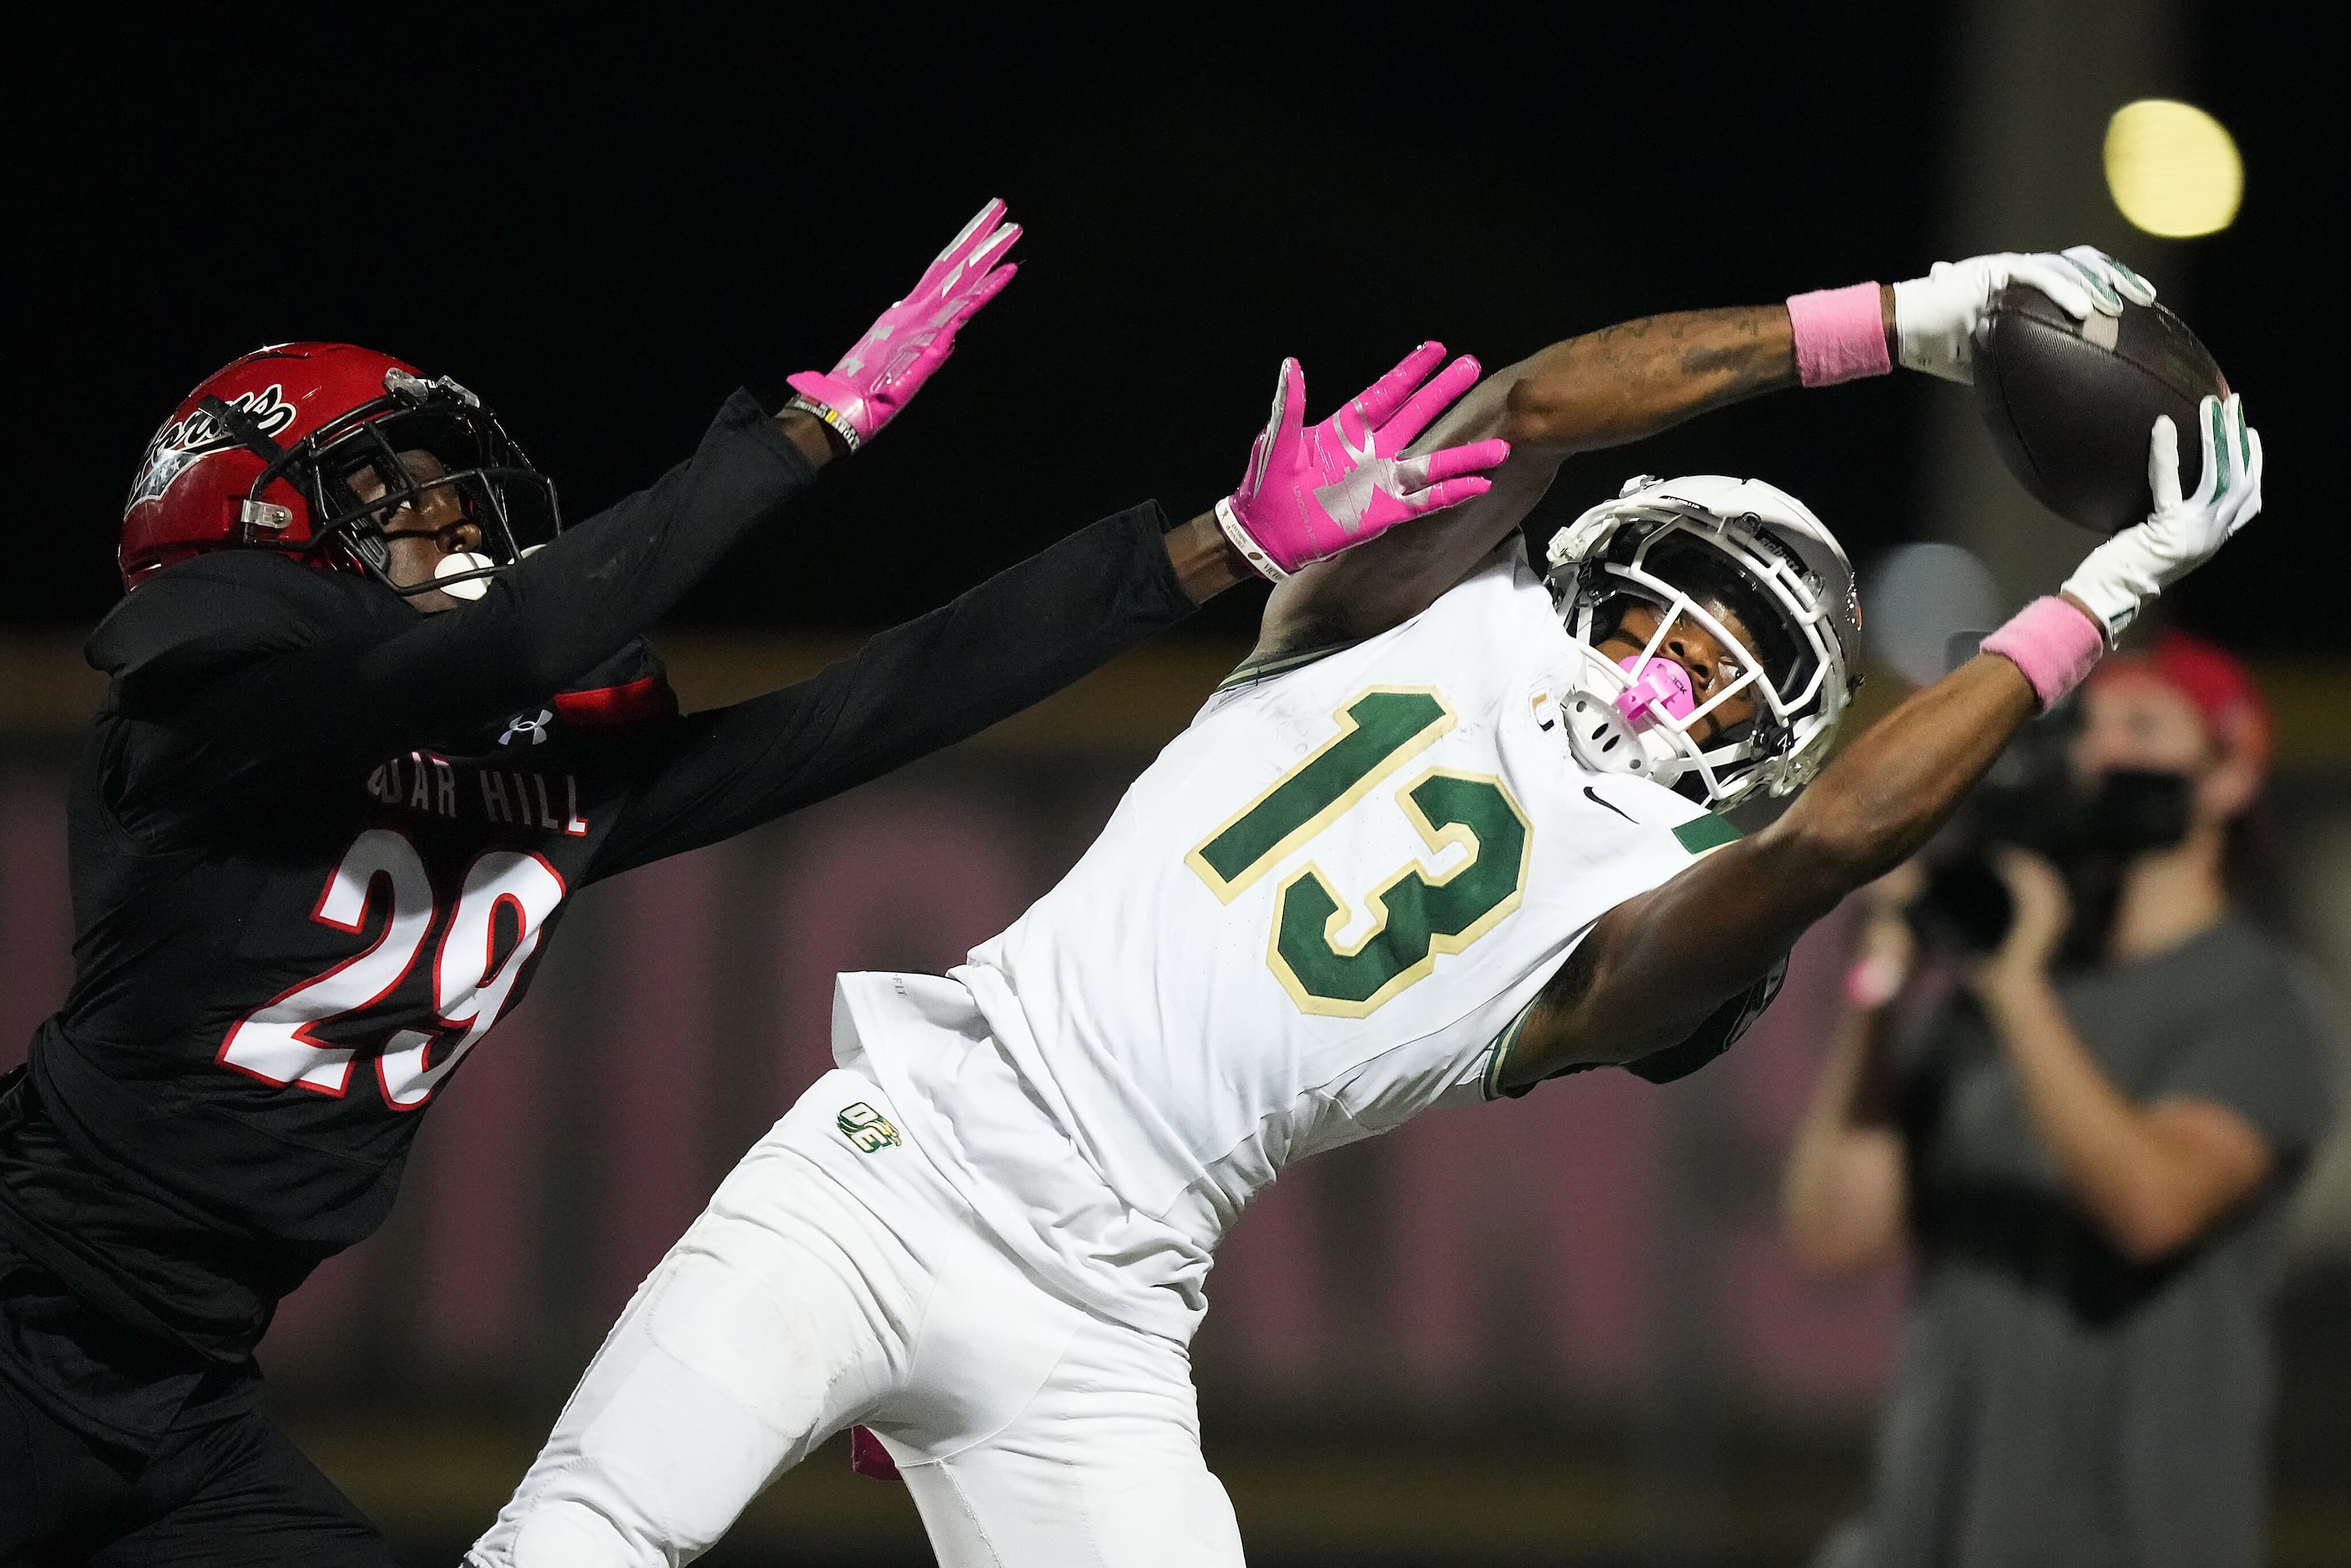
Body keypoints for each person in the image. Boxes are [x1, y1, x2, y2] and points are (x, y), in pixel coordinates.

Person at [469, 246, 2264, 1568]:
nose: (1673, 673)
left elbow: (1828, 851)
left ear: (1763, 754)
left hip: (1097, 1315)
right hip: (897, 1155)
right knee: (581, 1546)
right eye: (1672, 611)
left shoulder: (1649, 913)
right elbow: (1543, 408)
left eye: (1733, 674)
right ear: (1593, 569)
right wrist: (1908, 320)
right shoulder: (1393, 609)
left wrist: (2096, 597)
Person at [0, 199, 1511, 1566]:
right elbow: (512, 643)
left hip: (178, 1394)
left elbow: (862, 711)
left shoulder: (509, 774)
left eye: (462, 507)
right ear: (252, 522)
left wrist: (1214, 547)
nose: (457, 535)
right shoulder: (197, 727)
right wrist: (796, 438)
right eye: (403, 503)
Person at [1782, 630, 2336, 1568]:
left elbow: (2151, 1208)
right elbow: (1835, 1236)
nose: (2099, 750)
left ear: (2229, 777)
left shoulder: (2258, 1004)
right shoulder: (2008, 976)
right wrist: (1878, 990)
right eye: (2089, 726)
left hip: (2127, 1535)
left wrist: (2014, 989)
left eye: (2144, 726)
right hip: (1923, 1529)